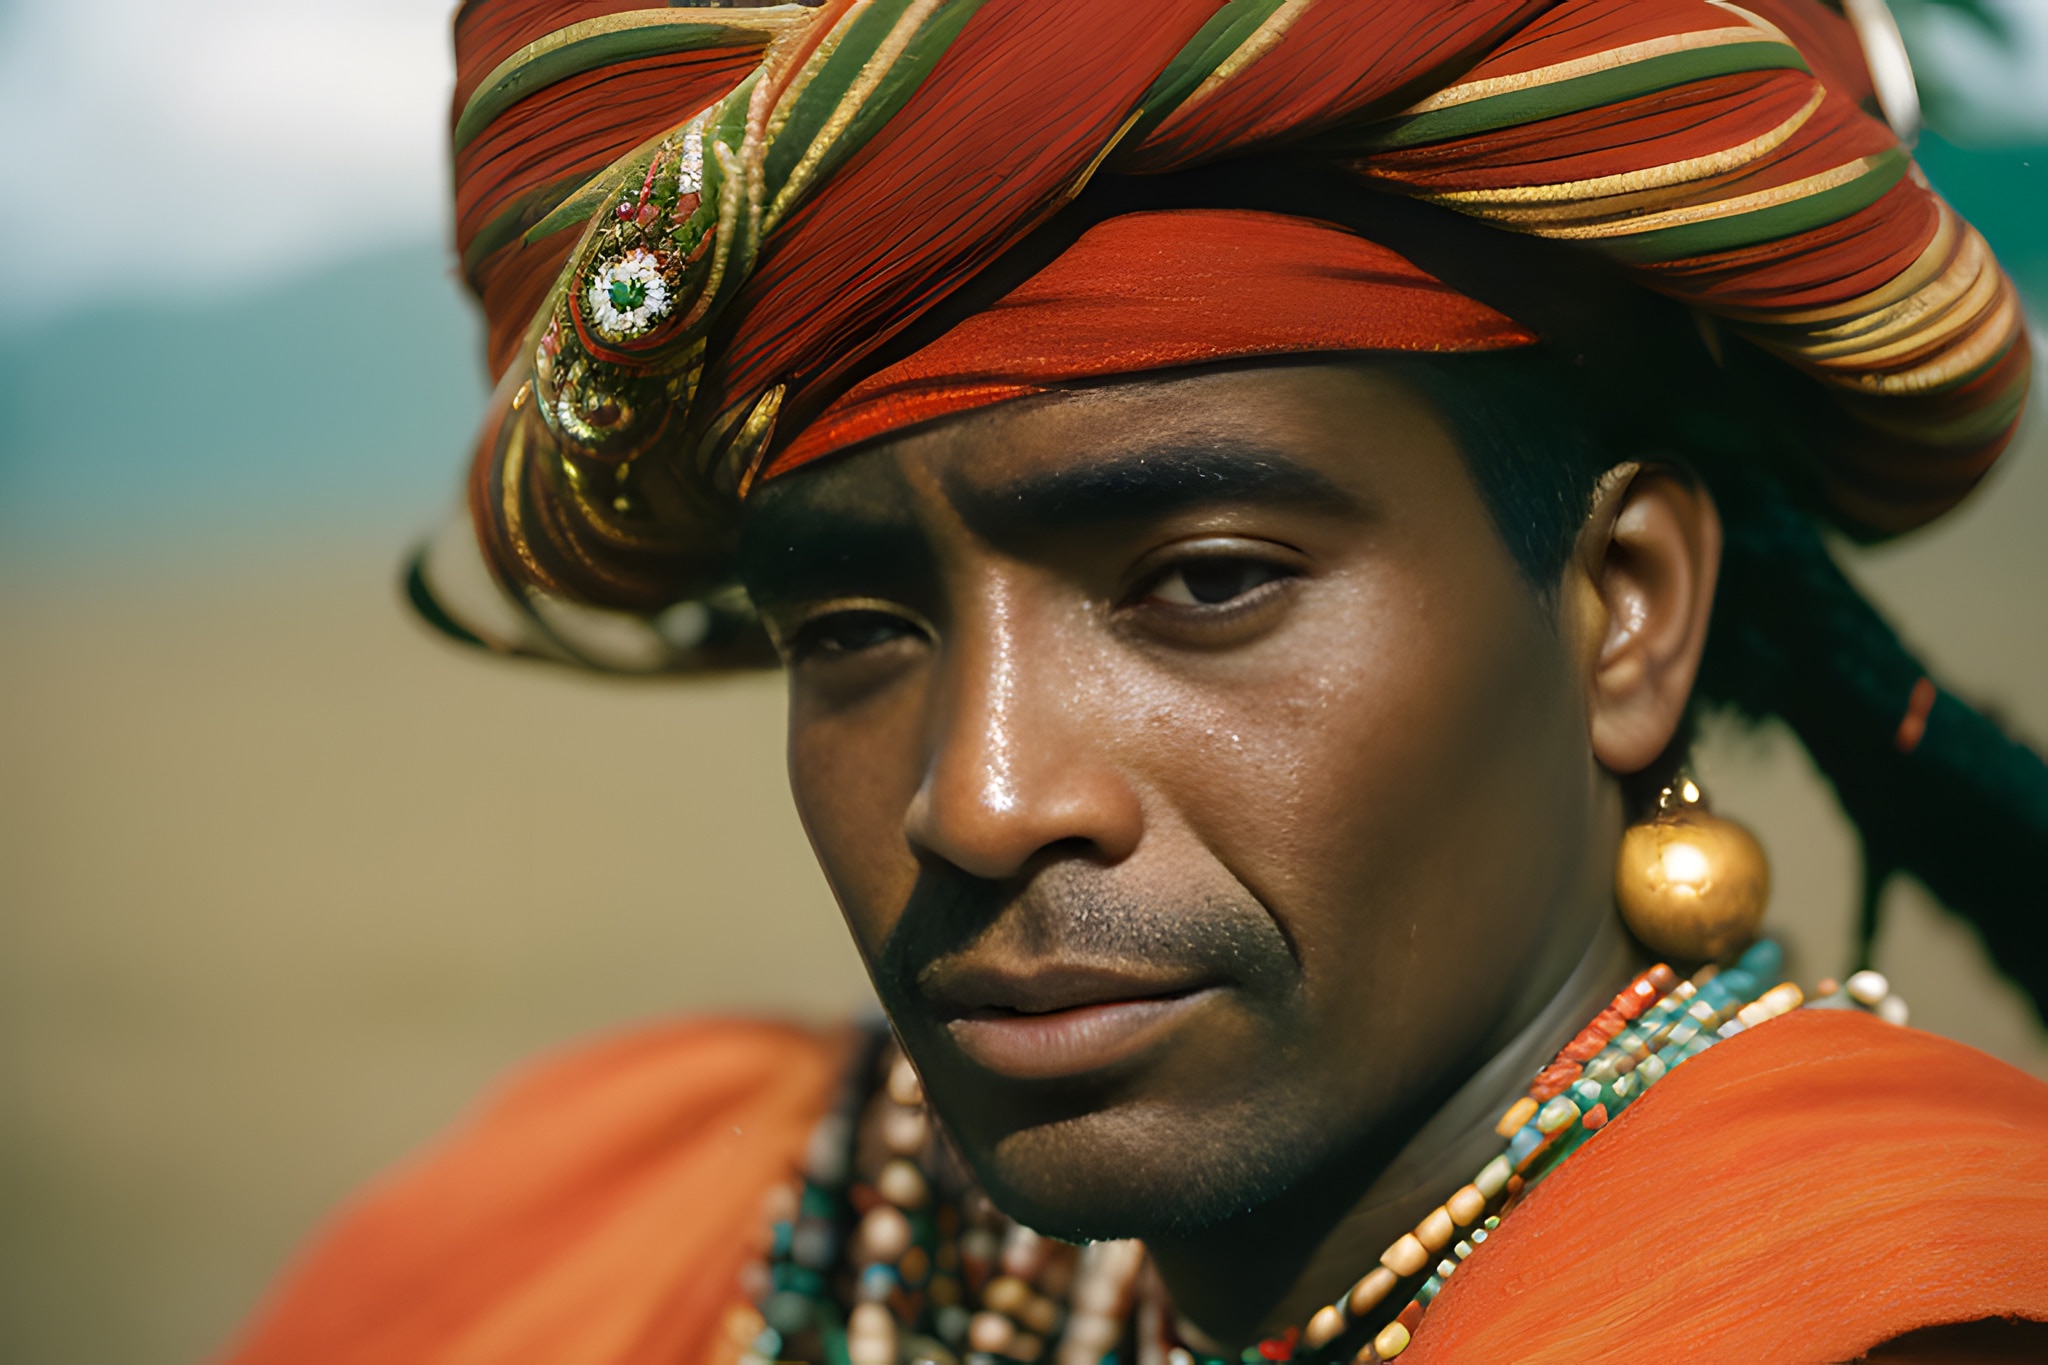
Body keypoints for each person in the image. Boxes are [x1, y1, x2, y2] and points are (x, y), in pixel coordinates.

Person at [227, 1, 2048, 1361]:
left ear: (1623, 607)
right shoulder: (612, 1239)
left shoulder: (1892, 1306)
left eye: (1205, 582)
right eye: (849, 626)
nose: (979, 797)